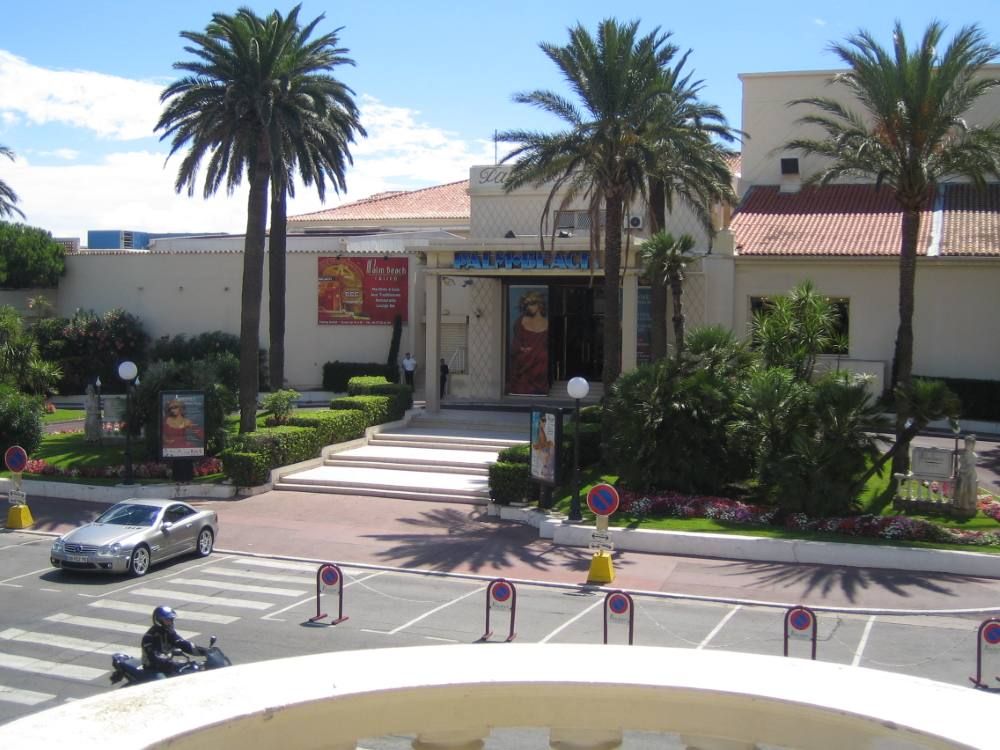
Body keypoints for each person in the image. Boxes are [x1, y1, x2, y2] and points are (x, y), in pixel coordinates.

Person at [508, 290, 549, 395]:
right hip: (525, 362)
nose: (529, 307)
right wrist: (522, 349)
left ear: (539, 305)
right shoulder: (521, 321)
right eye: (527, 305)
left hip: (541, 364)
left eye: (532, 304)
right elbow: (516, 344)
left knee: (543, 357)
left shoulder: (547, 323)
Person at [141, 605, 197, 677]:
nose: (171, 622)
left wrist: (204, 651)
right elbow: (156, 657)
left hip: (167, 667)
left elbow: (181, 643)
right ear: (159, 621)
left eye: (171, 620)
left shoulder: (169, 633)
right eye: (167, 620)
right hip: (153, 669)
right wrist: (175, 664)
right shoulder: (149, 638)